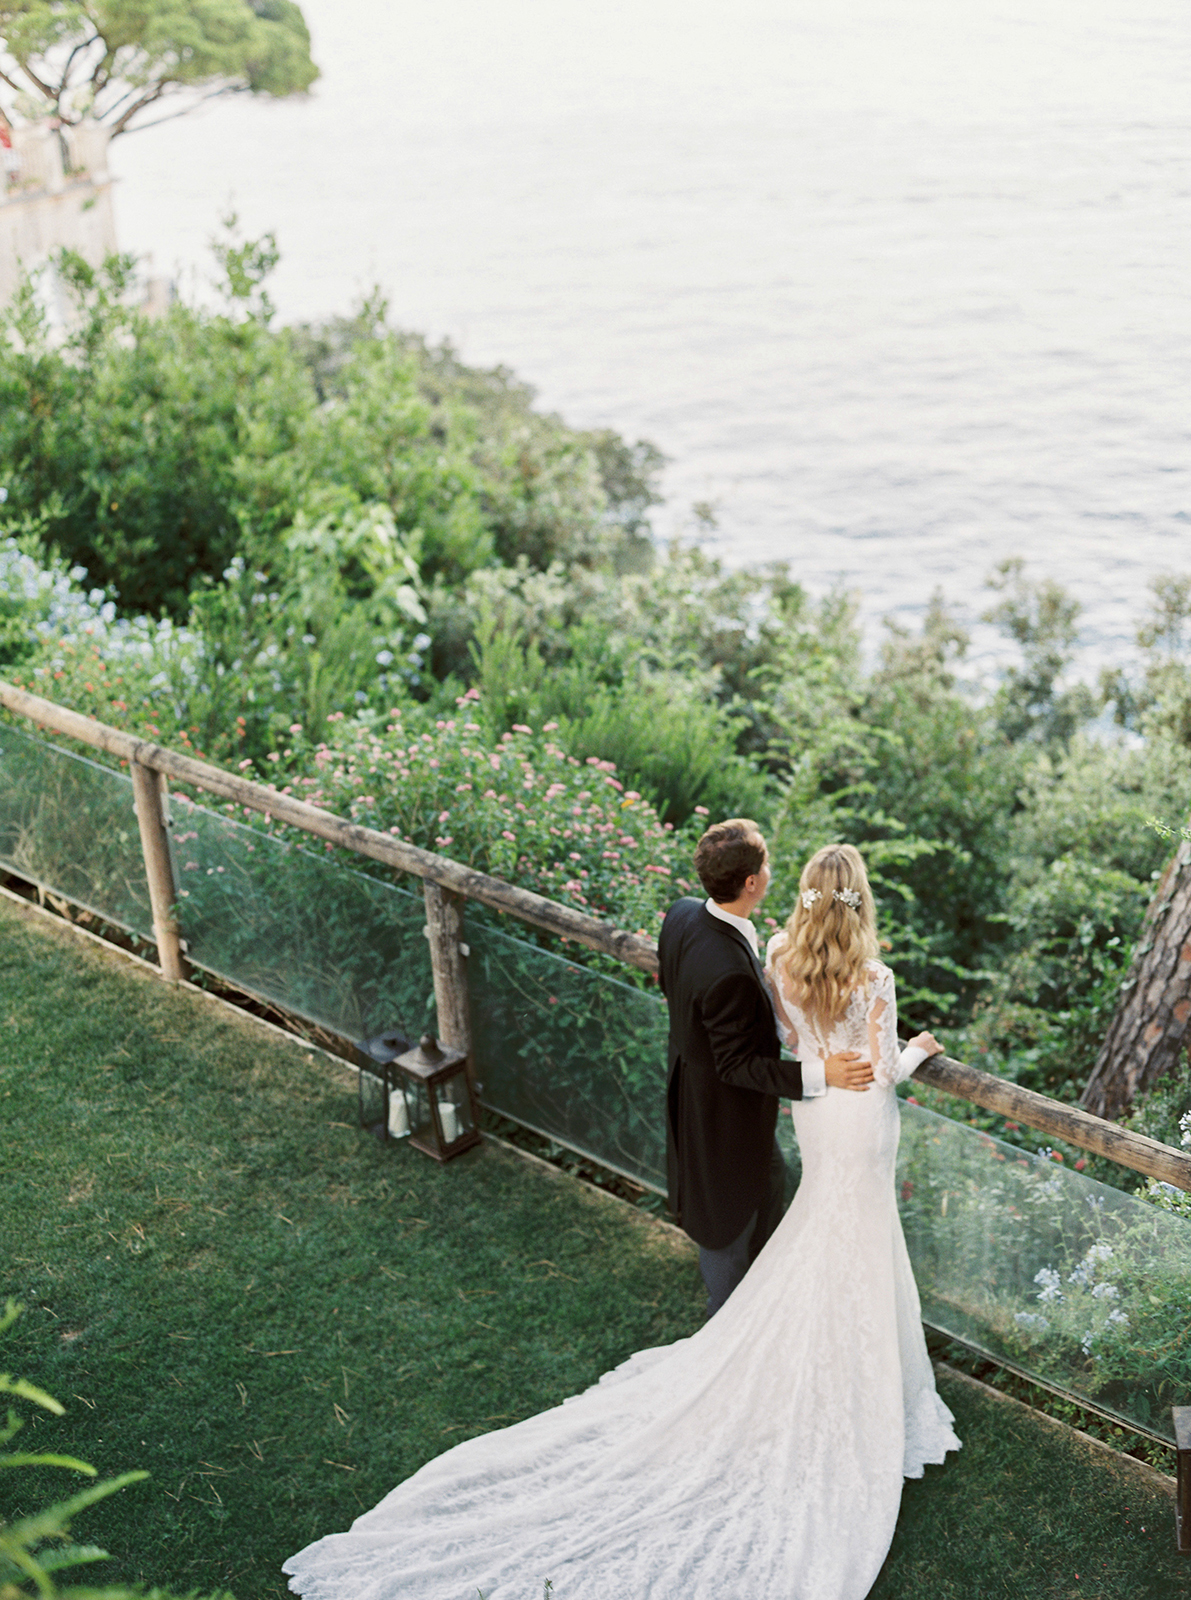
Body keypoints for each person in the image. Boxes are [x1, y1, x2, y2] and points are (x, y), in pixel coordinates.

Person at [284, 842, 960, 1600]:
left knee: (819, 1231)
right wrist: (918, 1055)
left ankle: (819, 1351)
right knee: (859, 1241)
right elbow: (878, 1063)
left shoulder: (775, 955)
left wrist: (828, 1067)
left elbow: (795, 1041)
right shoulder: (874, 978)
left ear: (804, 896)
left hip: (812, 1116)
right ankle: (860, 1372)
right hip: (861, 1118)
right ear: (859, 902)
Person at [657, 817, 874, 1316]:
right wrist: (824, 1075)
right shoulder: (730, 971)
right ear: (752, 883)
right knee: (726, 1227)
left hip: (690, 1089)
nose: (772, 870)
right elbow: (737, 1066)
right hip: (720, 1114)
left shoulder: (684, 914)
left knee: (771, 1183)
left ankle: (768, 1306)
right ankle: (727, 1324)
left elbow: (675, 985)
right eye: (766, 863)